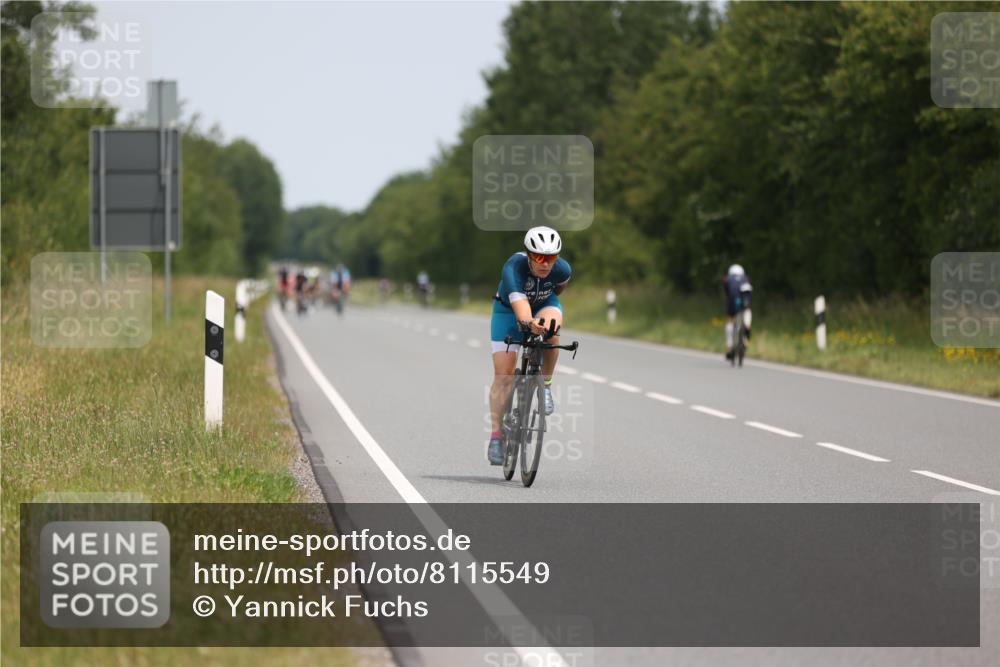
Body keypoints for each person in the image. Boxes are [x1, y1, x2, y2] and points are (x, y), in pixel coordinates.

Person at [486, 226, 571, 466]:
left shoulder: (563, 269)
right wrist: (529, 323)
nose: (545, 264)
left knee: (552, 332)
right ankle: (496, 437)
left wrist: (541, 322)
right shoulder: (513, 268)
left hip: (544, 304)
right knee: (503, 376)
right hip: (507, 311)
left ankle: (545, 385)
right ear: (529, 254)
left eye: (551, 258)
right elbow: (522, 312)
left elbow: (558, 291)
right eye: (539, 257)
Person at [722, 264, 753, 360]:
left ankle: (729, 347)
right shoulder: (746, 278)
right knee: (747, 311)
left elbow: (727, 293)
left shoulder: (727, 279)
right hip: (745, 299)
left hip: (733, 301)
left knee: (730, 321)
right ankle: (747, 327)